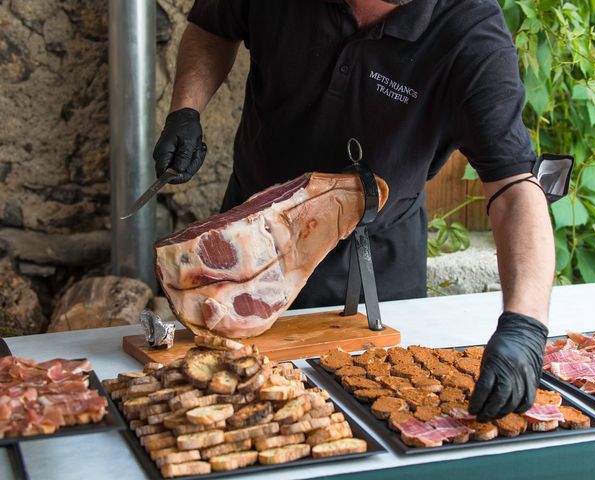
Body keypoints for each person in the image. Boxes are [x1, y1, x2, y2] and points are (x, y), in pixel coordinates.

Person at [153, 0, 554, 422]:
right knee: (231, 405)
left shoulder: (472, 32)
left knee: (366, 423)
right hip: (248, 239)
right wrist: (186, 109)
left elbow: (513, 187)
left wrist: (525, 325)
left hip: (373, 262)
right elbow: (213, 26)